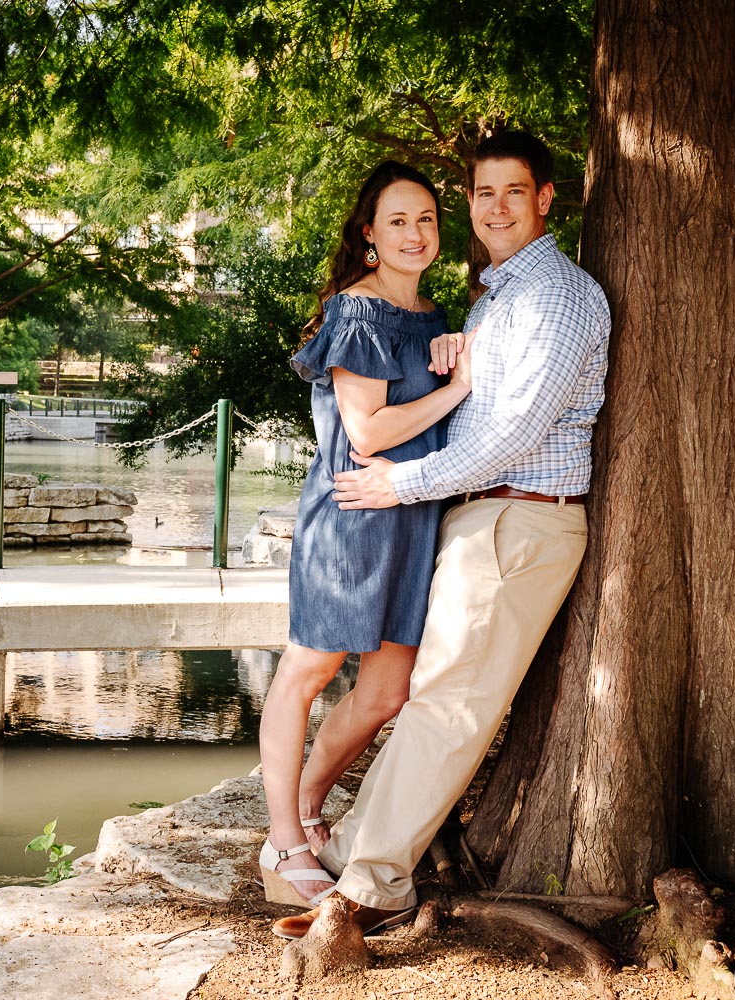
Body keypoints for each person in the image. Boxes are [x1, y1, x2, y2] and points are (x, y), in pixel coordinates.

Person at [271, 131, 612, 938]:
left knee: (438, 703)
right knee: (426, 697)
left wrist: (404, 481)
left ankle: (369, 887)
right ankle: (338, 850)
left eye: (514, 192)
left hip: (514, 511)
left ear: (546, 198)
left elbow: (515, 432)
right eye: (483, 193)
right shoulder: (494, 296)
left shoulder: (553, 295)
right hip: (460, 513)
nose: (496, 207)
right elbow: (434, 407)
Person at [257, 161, 474, 907]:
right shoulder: (359, 312)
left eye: (427, 220)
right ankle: (284, 839)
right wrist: (457, 388)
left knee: (385, 694)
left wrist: (451, 353)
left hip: (414, 517)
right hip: (352, 516)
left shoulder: (430, 313)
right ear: (369, 236)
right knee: (308, 673)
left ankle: (310, 797)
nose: (417, 234)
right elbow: (369, 431)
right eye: (398, 222)